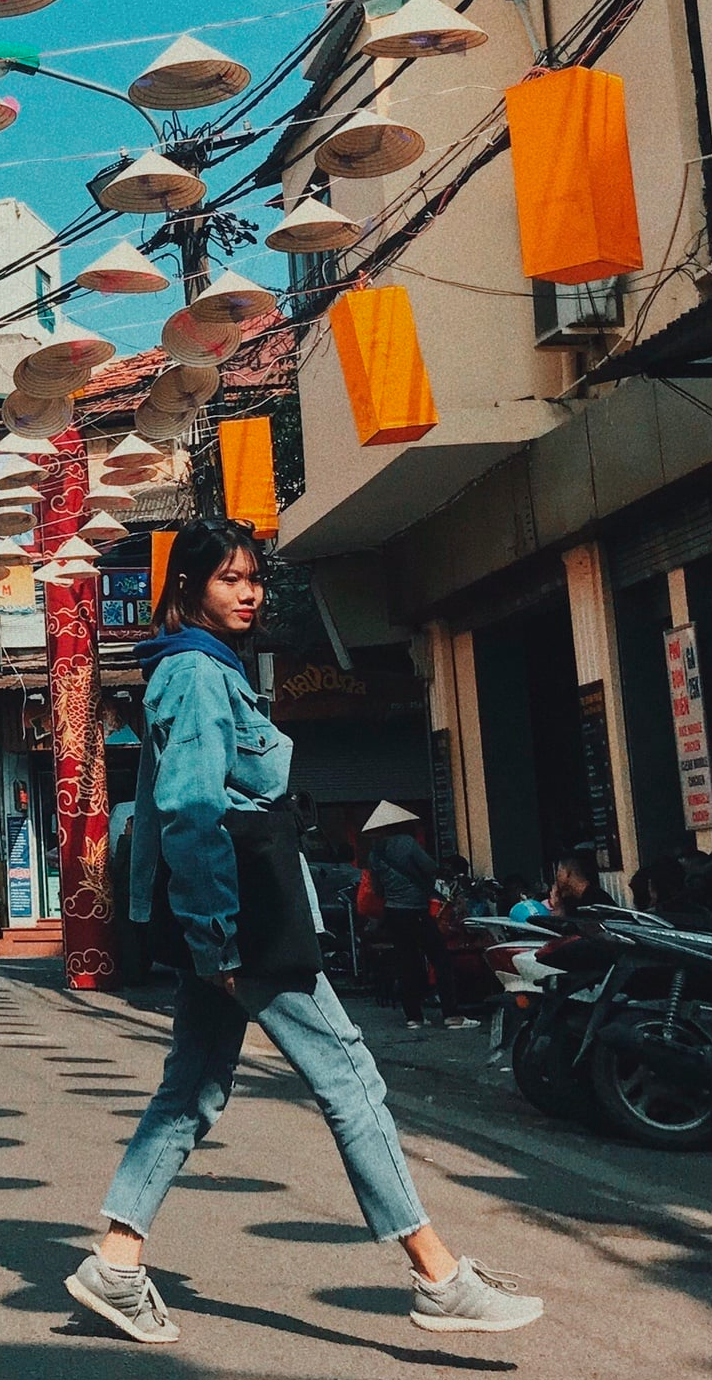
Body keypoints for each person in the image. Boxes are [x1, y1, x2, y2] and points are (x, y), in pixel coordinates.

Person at [66, 520, 543, 1345]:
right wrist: (216, 939)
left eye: (254, 578)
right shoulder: (194, 674)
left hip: (233, 911)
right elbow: (188, 810)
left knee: (192, 1091)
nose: (249, 593)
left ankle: (116, 1261)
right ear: (187, 590)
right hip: (244, 914)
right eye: (229, 580)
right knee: (351, 1078)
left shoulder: (199, 668)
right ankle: (437, 1275)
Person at [364, 802, 475, 1031]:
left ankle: (413, 1017)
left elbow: (377, 889)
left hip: (393, 914)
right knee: (441, 959)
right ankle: (452, 1015)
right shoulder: (407, 843)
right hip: (416, 911)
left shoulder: (374, 854)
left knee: (407, 964)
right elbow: (430, 868)